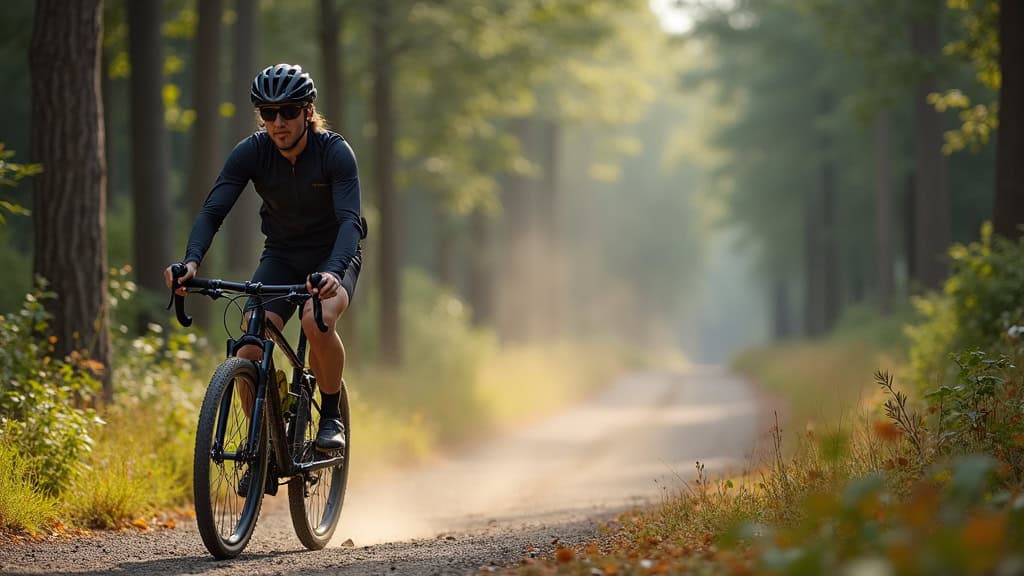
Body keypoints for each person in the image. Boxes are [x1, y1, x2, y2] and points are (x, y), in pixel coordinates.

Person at [165, 63, 365, 463]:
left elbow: (350, 223)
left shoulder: (335, 152)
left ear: (308, 111)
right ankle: (266, 444)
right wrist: (190, 262)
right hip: (282, 255)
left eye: (289, 111)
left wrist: (332, 271)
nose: (278, 122)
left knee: (316, 318)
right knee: (249, 346)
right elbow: (212, 212)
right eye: (268, 113)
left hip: (333, 256)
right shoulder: (252, 152)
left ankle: (329, 418)